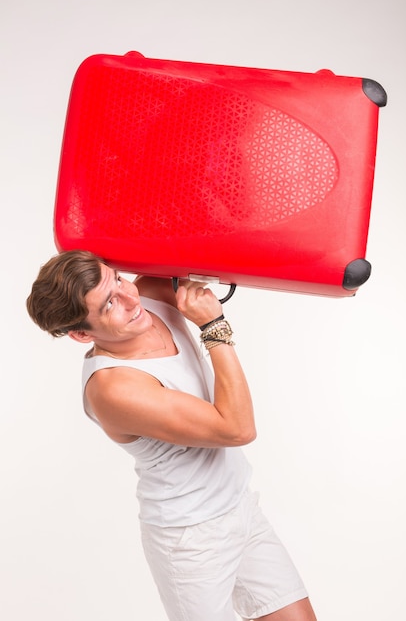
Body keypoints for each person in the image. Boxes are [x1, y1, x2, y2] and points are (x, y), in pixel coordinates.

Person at [26, 249, 317, 621]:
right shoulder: (115, 387)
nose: (131, 297)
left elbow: (193, 241)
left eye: (116, 278)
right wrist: (213, 327)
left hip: (240, 507)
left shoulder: (148, 296)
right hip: (189, 540)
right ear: (82, 334)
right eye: (110, 303)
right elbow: (237, 428)